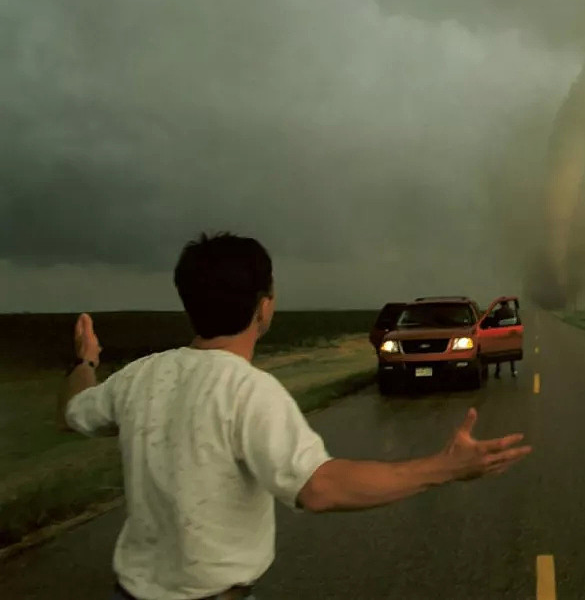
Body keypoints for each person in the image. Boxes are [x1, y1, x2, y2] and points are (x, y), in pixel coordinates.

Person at [58, 232, 531, 600]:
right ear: (264, 308)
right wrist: (444, 468)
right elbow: (320, 488)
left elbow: (75, 410)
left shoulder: (140, 377)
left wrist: (86, 360)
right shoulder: (249, 392)